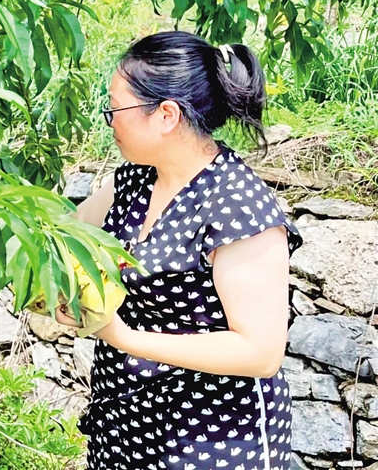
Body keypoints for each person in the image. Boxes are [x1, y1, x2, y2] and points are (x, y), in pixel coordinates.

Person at [63, 31, 303, 469]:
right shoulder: (135, 180)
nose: (110, 121)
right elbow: (69, 236)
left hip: (211, 437)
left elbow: (261, 352)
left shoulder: (237, 204)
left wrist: (123, 337)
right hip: (127, 423)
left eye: (115, 109)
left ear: (166, 115)